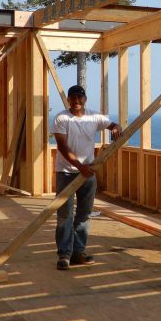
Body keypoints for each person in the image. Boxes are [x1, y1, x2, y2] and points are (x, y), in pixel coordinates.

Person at [52, 84, 122, 270]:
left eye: (79, 98)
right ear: (68, 99)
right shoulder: (61, 118)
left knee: (84, 215)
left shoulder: (94, 116)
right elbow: (62, 147)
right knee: (65, 215)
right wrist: (80, 167)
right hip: (66, 173)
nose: (76, 101)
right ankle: (64, 255)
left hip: (87, 174)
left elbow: (112, 124)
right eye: (73, 98)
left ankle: (78, 252)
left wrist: (115, 127)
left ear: (85, 99)